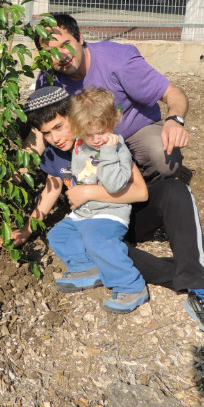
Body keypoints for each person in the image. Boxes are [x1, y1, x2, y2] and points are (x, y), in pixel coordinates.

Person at [14, 86, 204, 334]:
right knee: (102, 251)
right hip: (96, 226)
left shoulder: (100, 139)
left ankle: (199, 284)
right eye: (47, 133)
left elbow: (140, 192)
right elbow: (51, 189)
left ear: (76, 118)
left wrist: (89, 192)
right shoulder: (56, 154)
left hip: (123, 212)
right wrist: (26, 230)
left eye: (59, 126)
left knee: (174, 190)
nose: (56, 137)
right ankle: (199, 275)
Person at [33, 12, 189, 183]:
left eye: (65, 45)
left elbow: (173, 93)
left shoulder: (119, 61)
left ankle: (142, 190)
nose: (61, 56)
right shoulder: (48, 78)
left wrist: (174, 120)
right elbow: (43, 125)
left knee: (163, 156)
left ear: (80, 38)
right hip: (88, 139)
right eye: (50, 51)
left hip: (134, 134)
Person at [47, 87, 149, 314]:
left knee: (97, 239)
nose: (97, 140)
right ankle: (87, 267)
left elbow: (114, 185)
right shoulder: (81, 143)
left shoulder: (117, 148)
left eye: (102, 132)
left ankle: (131, 286)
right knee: (57, 234)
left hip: (110, 211)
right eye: (89, 134)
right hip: (85, 211)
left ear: (112, 123)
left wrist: (109, 153)